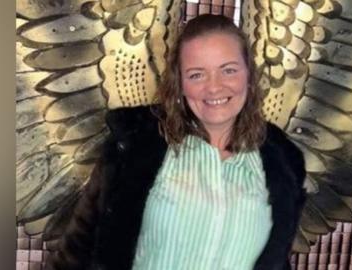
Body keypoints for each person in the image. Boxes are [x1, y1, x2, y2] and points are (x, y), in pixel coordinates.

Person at [48, 14, 306, 270]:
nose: (214, 87)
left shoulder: (283, 163)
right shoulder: (133, 148)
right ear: (179, 83)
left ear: (248, 75)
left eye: (228, 70)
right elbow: (75, 255)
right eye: (197, 75)